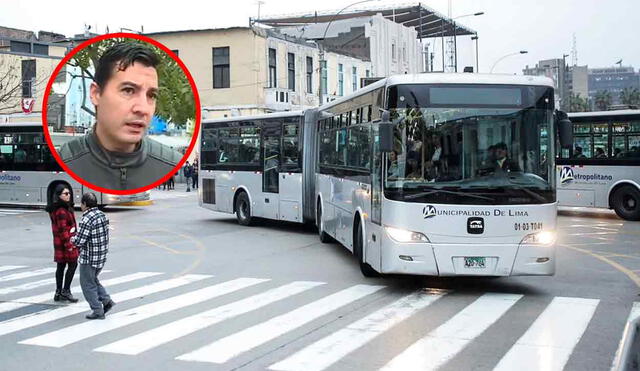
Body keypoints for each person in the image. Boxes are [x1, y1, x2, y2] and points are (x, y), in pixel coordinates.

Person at [58, 42, 182, 190]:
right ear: (96, 94)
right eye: (128, 90)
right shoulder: (65, 161)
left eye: (151, 95)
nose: (143, 108)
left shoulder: (170, 162)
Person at [72, 193, 114, 320]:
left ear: (85, 204)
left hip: (89, 257)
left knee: (87, 284)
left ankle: (97, 310)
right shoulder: (102, 215)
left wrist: (71, 239)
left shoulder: (87, 218)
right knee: (93, 280)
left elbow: (80, 241)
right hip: (100, 256)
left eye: (81, 203)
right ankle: (106, 301)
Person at [46, 184, 79, 303]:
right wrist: (69, 245)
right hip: (65, 243)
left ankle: (58, 292)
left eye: (69, 193)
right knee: (73, 264)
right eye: (65, 194)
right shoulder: (61, 211)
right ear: (59, 196)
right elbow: (63, 229)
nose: (68, 195)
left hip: (60, 243)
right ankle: (65, 291)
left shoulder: (61, 208)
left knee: (61, 266)